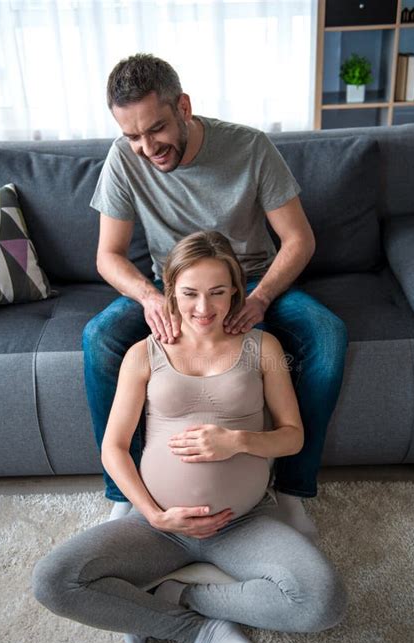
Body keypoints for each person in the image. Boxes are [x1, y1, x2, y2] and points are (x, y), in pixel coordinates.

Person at [33, 232, 347, 643]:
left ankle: (183, 596)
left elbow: (293, 437)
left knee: (324, 601)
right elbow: (113, 448)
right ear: (170, 292)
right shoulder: (143, 353)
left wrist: (237, 441)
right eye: (190, 293)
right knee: (54, 580)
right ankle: (197, 631)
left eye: (219, 292)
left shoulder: (266, 349)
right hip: (158, 526)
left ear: (237, 292)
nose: (204, 307)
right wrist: (155, 515)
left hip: (242, 522)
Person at [83, 53, 348, 531]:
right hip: (173, 289)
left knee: (326, 335)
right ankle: (121, 490)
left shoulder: (249, 147)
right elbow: (109, 255)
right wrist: (149, 297)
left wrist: (261, 297)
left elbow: (299, 240)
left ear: (183, 106)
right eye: (132, 136)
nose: (146, 148)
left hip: (250, 283)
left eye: (156, 129)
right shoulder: (123, 158)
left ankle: (292, 488)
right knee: (98, 337)